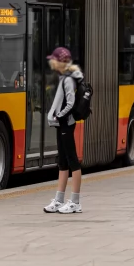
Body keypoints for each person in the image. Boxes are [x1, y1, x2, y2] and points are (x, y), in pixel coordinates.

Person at [43, 47, 84, 214]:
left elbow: (70, 102)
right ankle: (59, 200)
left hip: (66, 123)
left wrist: (59, 116)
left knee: (72, 160)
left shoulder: (68, 79)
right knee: (63, 161)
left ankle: (75, 202)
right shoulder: (64, 77)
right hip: (62, 123)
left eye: (54, 60)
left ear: (60, 62)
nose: (51, 63)